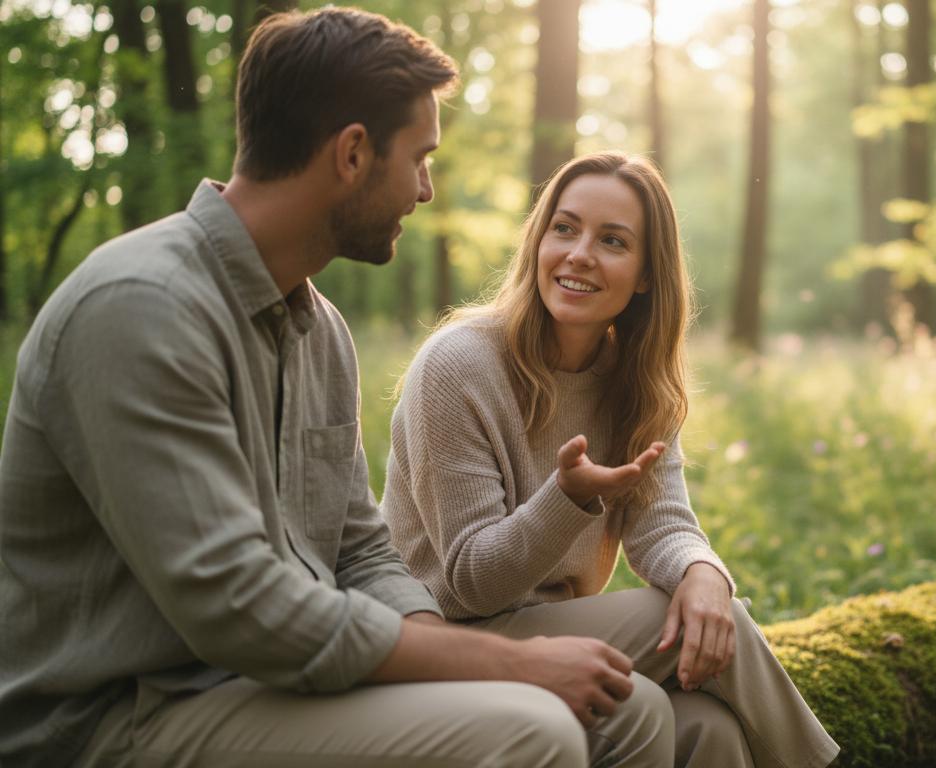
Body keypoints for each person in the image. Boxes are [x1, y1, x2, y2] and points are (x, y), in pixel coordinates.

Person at [0, 10, 676, 768]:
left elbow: (360, 550)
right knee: (535, 729)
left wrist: (447, 656)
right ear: (353, 154)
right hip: (120, 716)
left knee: (631, 714)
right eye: (419, 159)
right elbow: (238, 606)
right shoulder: (140, 310)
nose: (426, 190)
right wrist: (505, 664)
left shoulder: (319, 329)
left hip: (264, 686)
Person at [383, 151, 841, 768]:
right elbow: (472, 581)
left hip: (549, 626)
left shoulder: (637, 381)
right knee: (702, 622)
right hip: (442, 638)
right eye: (564, 228)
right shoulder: (458, 366)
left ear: (647, 274)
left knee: (708, 729)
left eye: (613, 240)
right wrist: (567, 498)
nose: (579, 254)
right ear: (538, 241)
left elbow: (664, 526)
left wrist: (704, 571)